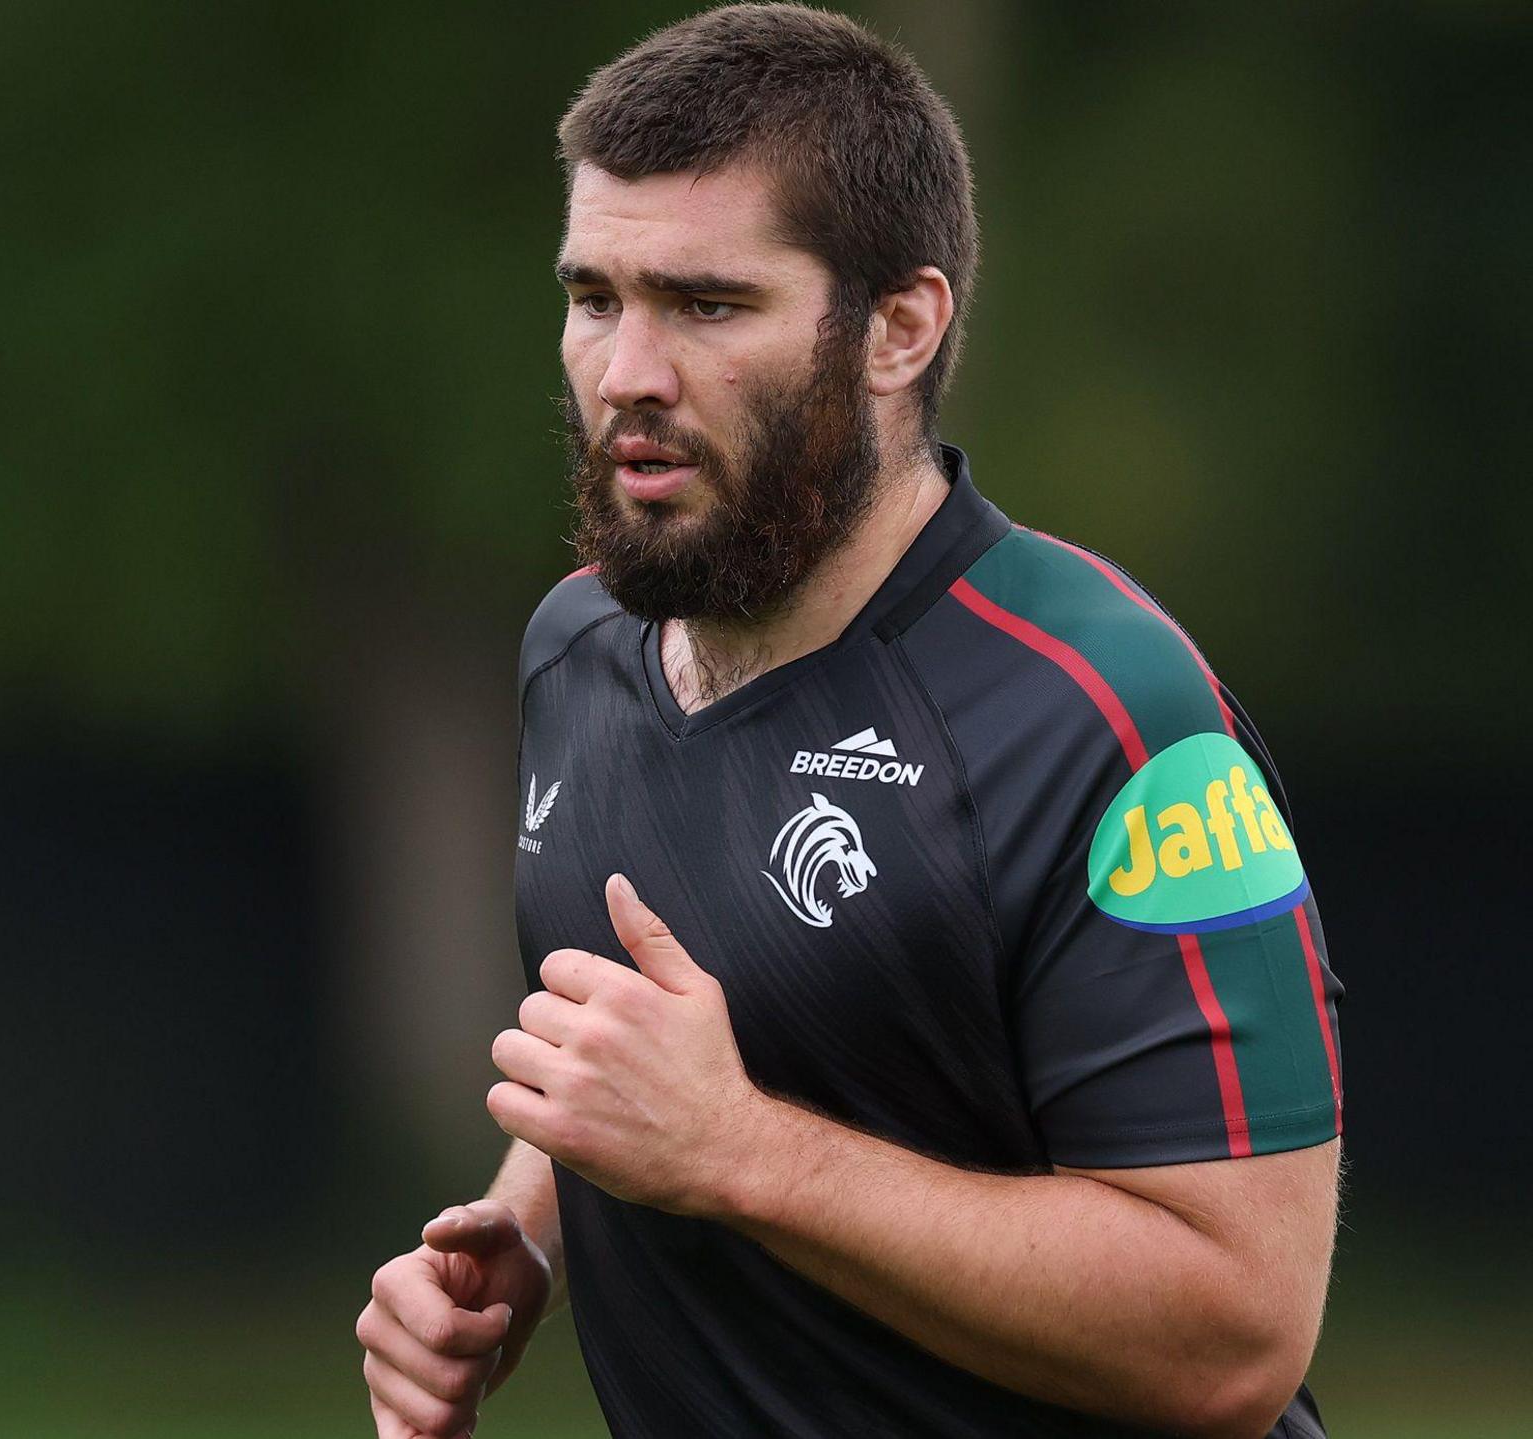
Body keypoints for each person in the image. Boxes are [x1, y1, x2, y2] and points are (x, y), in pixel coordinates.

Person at [355, 6, 1344, 1436]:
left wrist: (740, 1153)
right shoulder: (577, 652)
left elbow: (1237, 1333)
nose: (627, 369)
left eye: (707, 305)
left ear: (899, 329)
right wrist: (527, 1236)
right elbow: (687, 1070)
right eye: (593, 297)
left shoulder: (1103, 713)